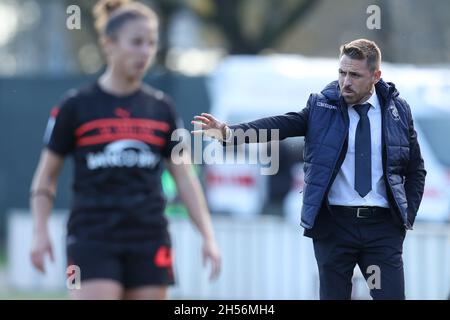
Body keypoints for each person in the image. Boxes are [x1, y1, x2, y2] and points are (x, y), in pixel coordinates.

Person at [192, 39, 426, 300]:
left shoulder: (398, 110)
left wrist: (406, 217)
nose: (345, 81)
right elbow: (280, 125)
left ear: (375, 76)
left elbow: (416, 170)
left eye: (355, 75)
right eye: (342, 72)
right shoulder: (321, 107)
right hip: (335, 226)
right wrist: (228, 133)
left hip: (382, 228)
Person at [30, 0, 220, 300]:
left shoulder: (162, 108)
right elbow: (45, 178)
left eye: (151, 43)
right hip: (90, 238)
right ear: (109, 45)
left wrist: (208, 237)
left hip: (149, 238)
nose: (145, 52)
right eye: (136, 42)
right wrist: (39, 232)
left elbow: (185, 178)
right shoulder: (75, 106)